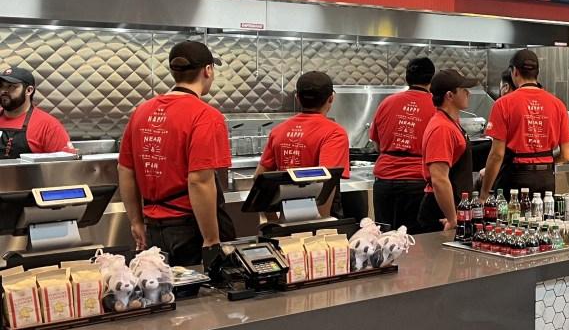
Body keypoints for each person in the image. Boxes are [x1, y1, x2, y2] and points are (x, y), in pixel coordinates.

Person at [117, 41, 234, 269]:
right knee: (203, 299)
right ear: (208, 70)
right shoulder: (206, 116)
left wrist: (136, 222)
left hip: (153, 228)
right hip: (191, 230)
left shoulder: (142, 111)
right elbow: (199, 181)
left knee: (162, 293)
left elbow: (125, 169)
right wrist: (211, 240)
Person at [254, 72, 350, 218]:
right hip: (319, 218)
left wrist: (272, 221)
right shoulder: (334, 133)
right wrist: (322, 226)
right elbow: (326, 182)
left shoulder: (278, 131)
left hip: (285, 216)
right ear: (331, 98)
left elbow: (259, 178)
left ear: (297, 98)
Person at [480, 49, 569, 197]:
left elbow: (497, 155)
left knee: (511, 220)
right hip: (546, 180)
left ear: (514, 72)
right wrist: (545, 161)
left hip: (515, 179)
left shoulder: (503, 104)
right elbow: (567, 155)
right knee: (543, 220)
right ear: (537, 73)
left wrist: (484, 193)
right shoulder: (558, 105)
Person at [370, 58, 436, 234]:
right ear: (432, 79)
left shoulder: (386, 103)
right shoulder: (436, 106)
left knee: (385, 243)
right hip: (417, 183)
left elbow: (376, 145)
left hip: (384, 183)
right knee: (414, 245)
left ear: (407, 77)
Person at [417, 70, 477, 233]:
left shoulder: (451, 122)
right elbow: (439, 179)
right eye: (464, 89)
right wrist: (452, 219)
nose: (468, 93)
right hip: (439, 212)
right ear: (450, 96)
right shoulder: (442, 128)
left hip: (454, 206)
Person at [0, 66, 73, 157]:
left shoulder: (48, 126)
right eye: (1, 85)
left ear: (29, 90)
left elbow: (65, 166)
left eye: (11, 86)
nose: (3, 91)